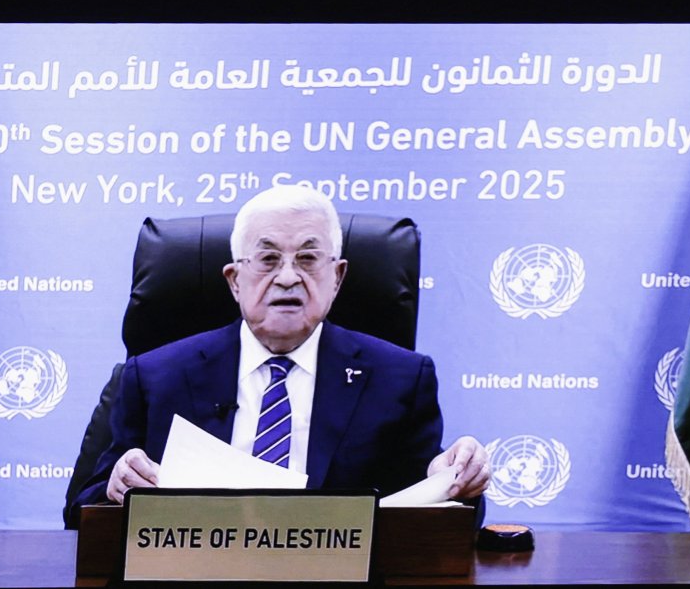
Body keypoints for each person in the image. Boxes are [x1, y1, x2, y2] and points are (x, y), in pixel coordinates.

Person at [69, 185, 490, 517]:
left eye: (308, 258)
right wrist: (117, 485)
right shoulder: (155, 376)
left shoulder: (401, 379)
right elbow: (82, 510)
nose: (288, 277)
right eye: (267, 259)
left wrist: (452, 480)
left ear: (337, 277)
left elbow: (434, 516)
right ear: (235, 280)